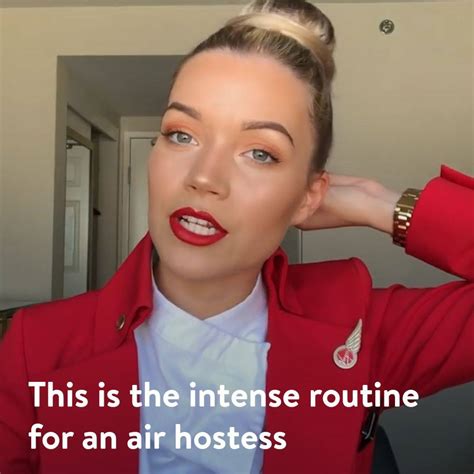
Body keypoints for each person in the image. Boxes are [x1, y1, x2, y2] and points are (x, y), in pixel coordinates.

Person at [0, 0, 472, 473]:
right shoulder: (35, 346)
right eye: (182, 135)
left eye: (260, 153)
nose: (204, 177)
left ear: (309, 195)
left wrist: (377, 203)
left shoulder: (361, 332)